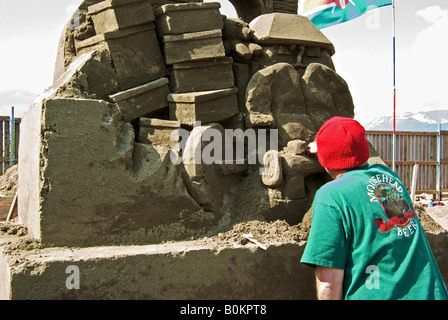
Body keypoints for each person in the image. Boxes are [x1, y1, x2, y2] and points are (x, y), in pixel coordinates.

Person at [300, 116, 448, 300]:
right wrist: (325, 146)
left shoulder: (330, 195)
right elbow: (352, 152)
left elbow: (328, 282)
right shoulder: (389, 177)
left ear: (325, 158)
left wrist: (322, 148)